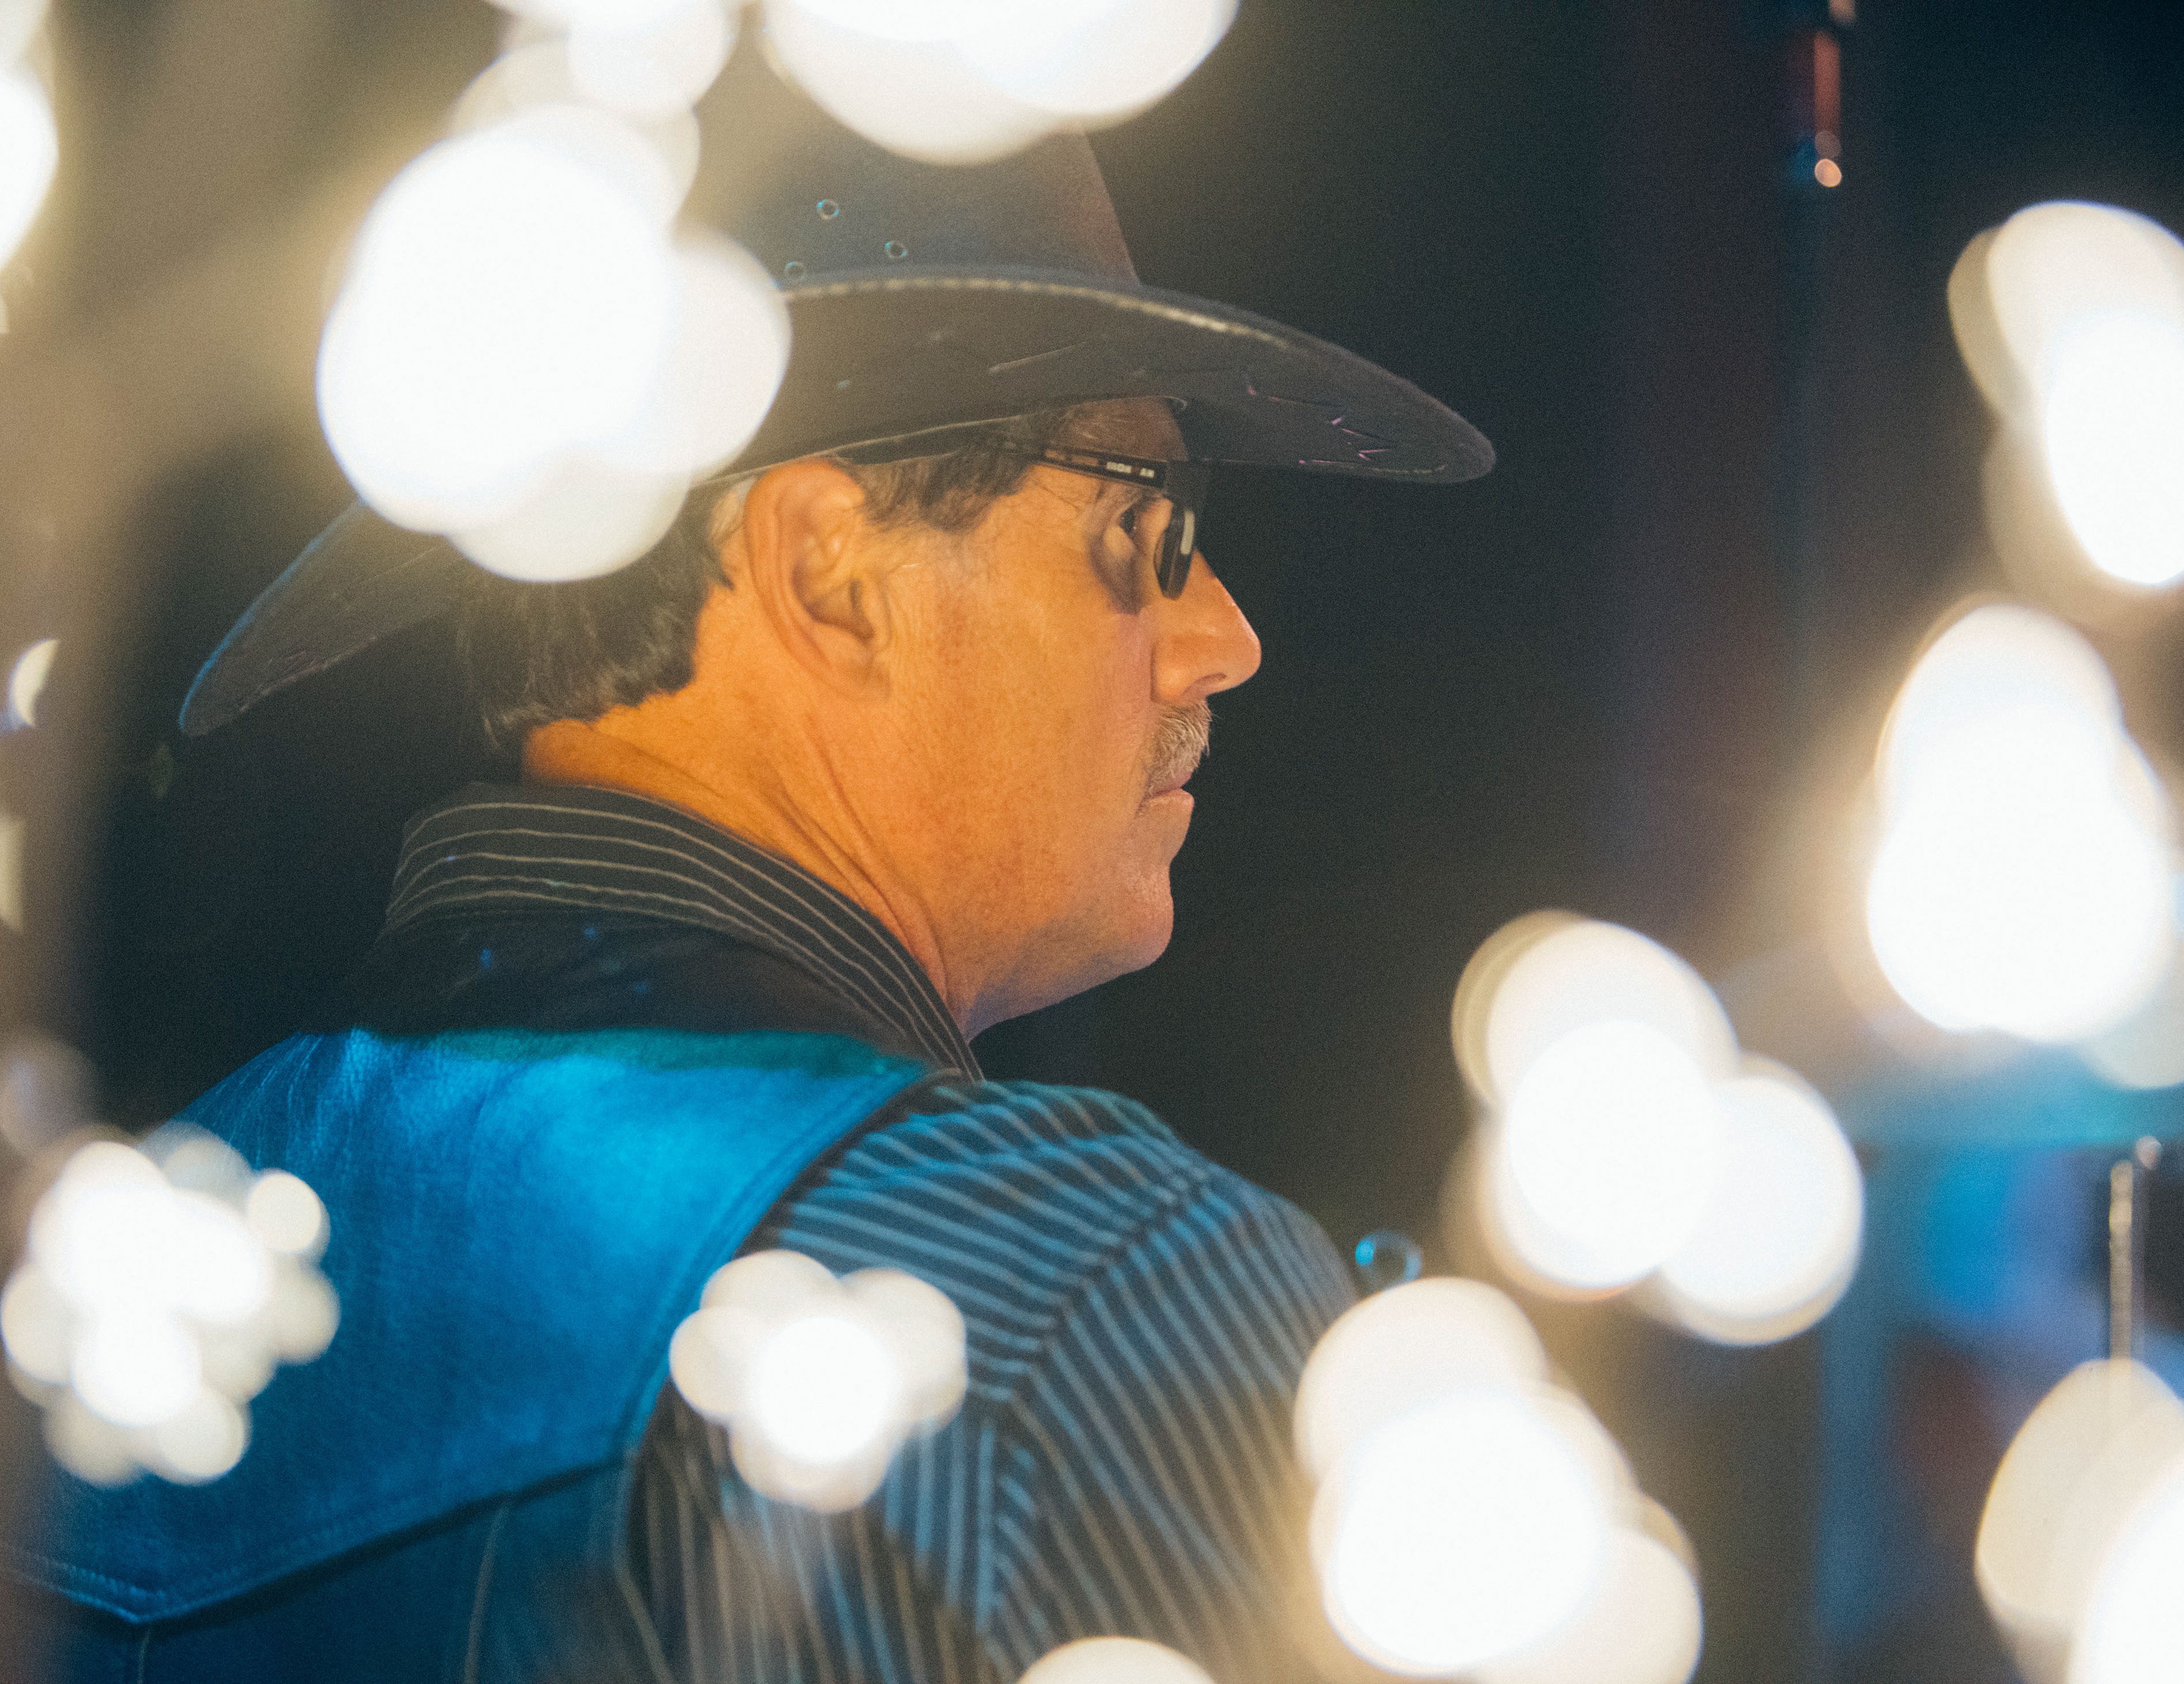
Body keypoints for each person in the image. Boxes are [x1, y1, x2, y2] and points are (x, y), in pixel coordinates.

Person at [14, 40, 1490, 1684]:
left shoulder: (81, 1306)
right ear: (827, 571)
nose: (1225, 637)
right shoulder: (1072, 1296)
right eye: (1152, 524)